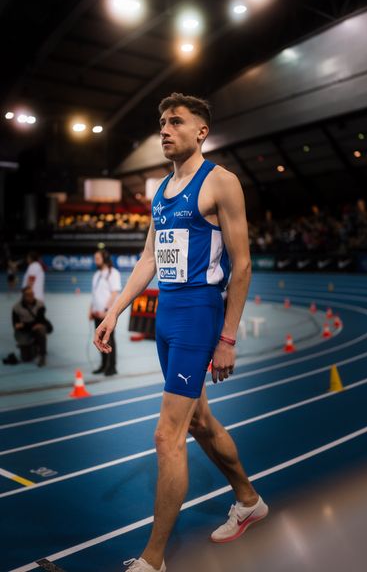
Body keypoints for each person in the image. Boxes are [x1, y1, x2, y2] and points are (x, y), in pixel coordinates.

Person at [94, 93, 269, 572]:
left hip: (197, 315)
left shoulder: (222, 183)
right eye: (161, 123)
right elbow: (149, 259)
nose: (164, 130)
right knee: (200, 423)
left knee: (166, 437)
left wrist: (227, 337)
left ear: (201, 131)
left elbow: (243, 264)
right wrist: (113, 312)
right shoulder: (162, 191)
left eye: (175, 122)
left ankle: (153, 559)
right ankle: (249, 500)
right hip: (167, 317)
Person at [90, 248, 121, 376]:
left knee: (109, 340)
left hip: (107, 314)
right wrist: (91, 310)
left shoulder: (112, 273)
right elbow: (95, 294)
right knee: (99, 339)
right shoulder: (97, 275)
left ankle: (112, 366)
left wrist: (106, 310)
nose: (95, 261)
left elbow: (114, 293)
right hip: (97, 313)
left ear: (105, 258)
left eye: (97, 258)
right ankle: (103, 365)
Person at [12, 286, 50, 366]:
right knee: (26, 359)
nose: (31, 296)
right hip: (24, 332)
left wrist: (23, 324)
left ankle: (42, 355)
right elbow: (16, 325)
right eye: (28, 294)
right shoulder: (16, 308)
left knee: (41, 330)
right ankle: (32, 346)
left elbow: (40, 321)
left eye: (32, 294)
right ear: (23, 296)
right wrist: (31, 325)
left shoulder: (40, 305)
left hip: (34, 330)